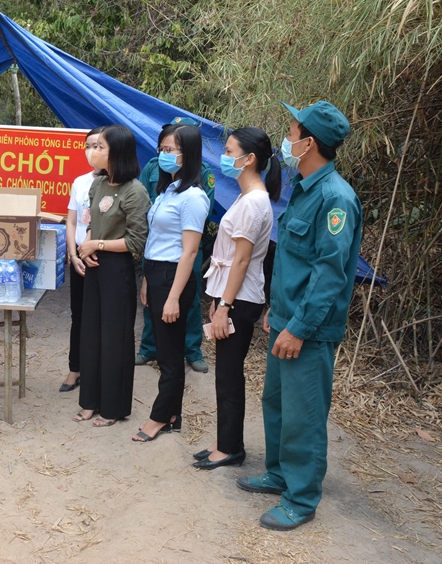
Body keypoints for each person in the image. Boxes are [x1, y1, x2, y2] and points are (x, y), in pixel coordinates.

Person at [238, 101, 361, 532]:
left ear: (309, 142)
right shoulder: (306, 188)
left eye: (291, 133)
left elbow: (330, 275)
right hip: (287, 320)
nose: (286, 140)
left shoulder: (335, 199)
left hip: (308, 330)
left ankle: (301, 497)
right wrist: (277, 309)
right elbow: (295, 263)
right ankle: (279, 473)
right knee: (277, 403)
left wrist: (300, 328)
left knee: (304, 414)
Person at [191, 128, 280, 470]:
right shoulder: (249, 197)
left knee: (229, 374)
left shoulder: (254, 201)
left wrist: (224, 305)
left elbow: (242, 260)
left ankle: (230, 448)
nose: (224, 158)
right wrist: (217, 300)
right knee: (225, 373)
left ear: (250, 159)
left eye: (229, 152)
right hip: (231, 293)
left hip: (239, 298)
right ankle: (225, 439)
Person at [134, 124, 210, 442]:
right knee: (167, 350)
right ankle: (173, 414)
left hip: (173, 277)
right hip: (157, 273)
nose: (163, 155)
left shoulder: (194, 197)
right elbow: (158, 240)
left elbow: (190, 251)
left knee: (168, 354)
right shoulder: (169, 190)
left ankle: (160, 417)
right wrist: (148, 281)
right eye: (161, 149)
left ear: (188, 154)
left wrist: (173, 296)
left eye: (170, 150)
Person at [72, 125, 151, 427]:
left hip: (118, 271)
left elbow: (136, 242)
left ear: (117, 152)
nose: (93, 151)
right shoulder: (98, 184)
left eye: (100, 147)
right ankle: (89, 401)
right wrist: (87, 245)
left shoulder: (135, 191)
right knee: (90, 334)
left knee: (114, 339)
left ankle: (113, 408)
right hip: (93, 267)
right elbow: (92, 221)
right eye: (93, 147)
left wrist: (98, 244)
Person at [61, 126, 105, 393]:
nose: (92, 151)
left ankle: (98, 371)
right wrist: (72, 254)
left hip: (102, 259)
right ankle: (75, 368)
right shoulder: (80, 182)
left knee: (101, 318)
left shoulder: (120, 184)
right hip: (79, 260)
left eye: (98, 146)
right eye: (88, 145)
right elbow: (71, 220)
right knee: (78, 316)